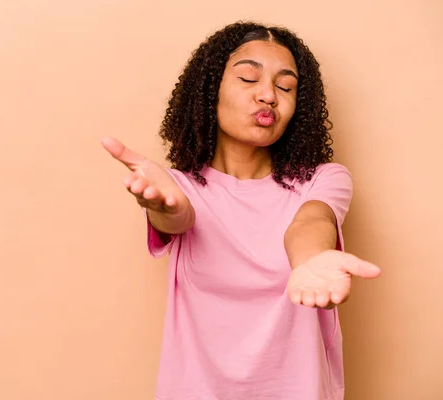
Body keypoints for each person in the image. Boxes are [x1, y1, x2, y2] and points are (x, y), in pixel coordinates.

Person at [101, 20, 381, 400]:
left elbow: (311, 220)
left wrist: (311, 260)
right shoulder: (178, 189)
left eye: (285, 87)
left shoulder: (324, 179)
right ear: (209, 91)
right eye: (249, 79)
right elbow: (178, 213)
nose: (268, 95)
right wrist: (160, 206)